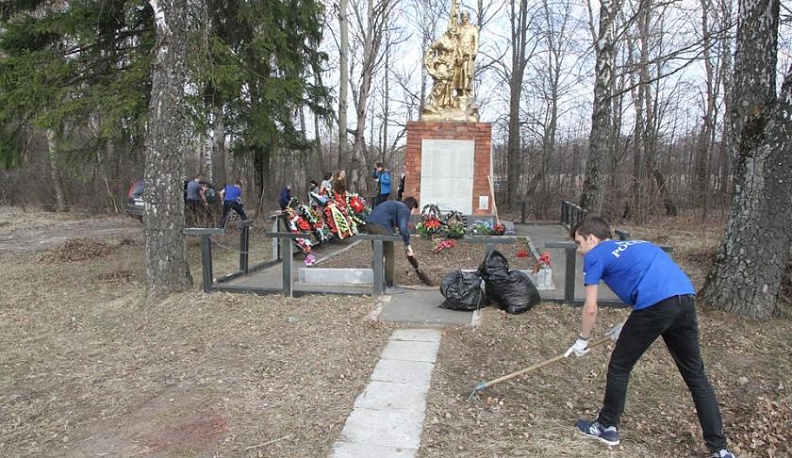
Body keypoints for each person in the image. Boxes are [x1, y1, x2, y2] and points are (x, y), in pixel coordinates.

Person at [565, 215, 736, 458]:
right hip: (684, 299)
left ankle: (606, 426)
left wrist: (583, 339)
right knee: (696, 376)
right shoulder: (639, 244)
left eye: (579, 243)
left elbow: (590, 307)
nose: (580, 250)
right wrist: (628, 323)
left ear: (592, 239)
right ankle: (720, 450)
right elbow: (655, 279)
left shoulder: (595, 255)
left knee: (619, 366)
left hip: (655, 306)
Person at [364, 196, 419, 295]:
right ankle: (389, 285)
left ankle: (378, 282)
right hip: (381, 226)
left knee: (378, 254)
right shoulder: (404, 209)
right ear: (412, 207)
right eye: (414, 210)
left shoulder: (396, 205)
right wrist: (408, 244)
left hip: (370, 224)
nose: (412, 213)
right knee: (390, 256)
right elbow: (403, 229)